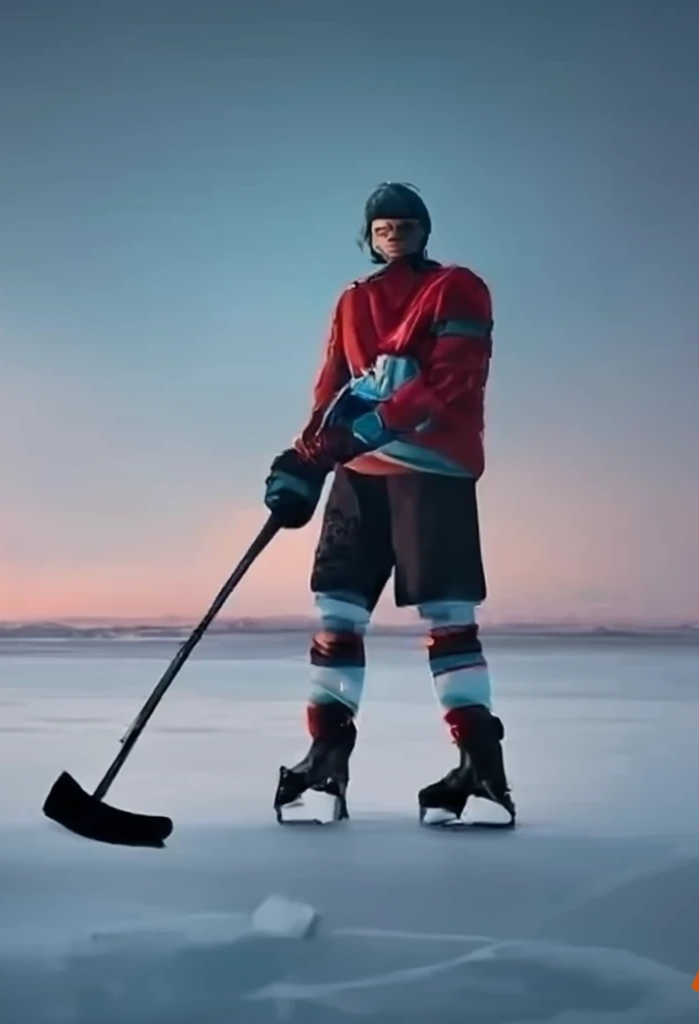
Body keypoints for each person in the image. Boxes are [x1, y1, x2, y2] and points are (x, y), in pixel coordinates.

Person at [263, 182, 515, 829]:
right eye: (383, 225)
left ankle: (480, 761)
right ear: (369, 237)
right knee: (336, 611)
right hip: (357, 477)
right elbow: (332, 388)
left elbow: (452, 381)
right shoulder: (352, 303)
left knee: (450, 617)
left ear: (424, 230)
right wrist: (304, 458)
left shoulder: (459, 288)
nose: (393, 231)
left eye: (404, 223)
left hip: (433, 472)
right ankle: (326, 753)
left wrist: (367, 431)